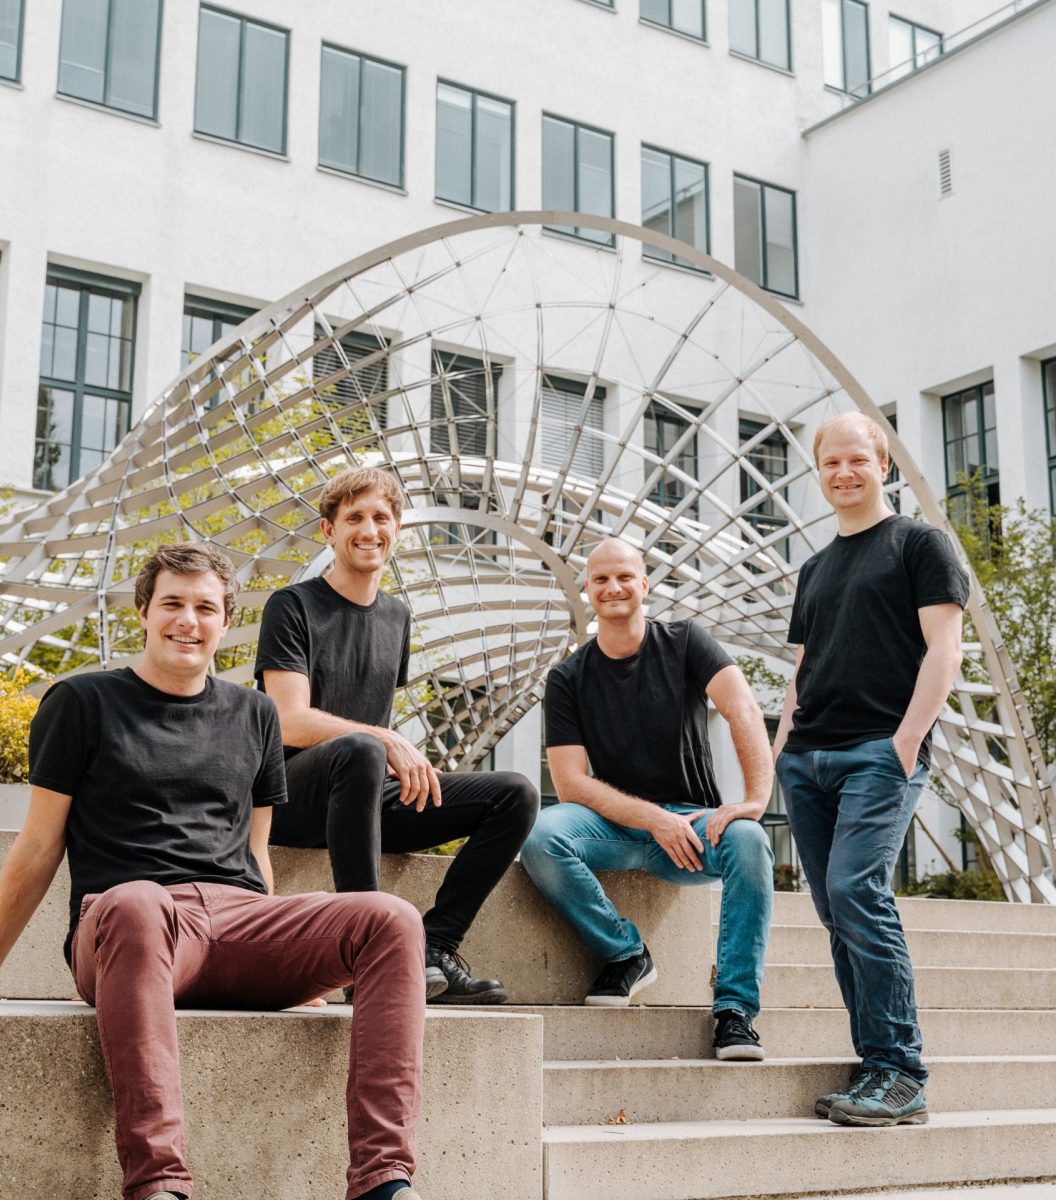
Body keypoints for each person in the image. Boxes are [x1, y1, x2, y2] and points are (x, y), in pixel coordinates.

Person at [0, 542, 427, 1200]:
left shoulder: (254, 715)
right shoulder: (81, 702)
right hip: (128, 926)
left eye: (205, 608)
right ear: (143, 611)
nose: (187, 621)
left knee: (391, 918)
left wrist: (298, 966)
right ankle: (159, 1184)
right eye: (172, 604)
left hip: (235, 922)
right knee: (137, 903)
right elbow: (38, 846)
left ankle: (383, 1181)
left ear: (225, 623)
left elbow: (255, 855)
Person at [256, 466, 539, 1004]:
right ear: (328, 531)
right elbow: (287, 719)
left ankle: (434, 948)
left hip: (365, 796)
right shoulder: (292, 606)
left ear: (398, 529)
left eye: (381, 517)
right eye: (354, 518)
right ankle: (366, 951)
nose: (369, 529)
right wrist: (383, 739)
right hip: (296, 796)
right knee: (363, 746)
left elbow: (368, 719)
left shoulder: (396, 616)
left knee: (515, 794)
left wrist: (384, 746)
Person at [773, 411, 968, 1128]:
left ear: (882, 465)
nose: (844, 473)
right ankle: (873, 1063)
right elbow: (803, 667)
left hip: (878, 751)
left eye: (858, 459)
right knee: (836, 909)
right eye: (831, 463)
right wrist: (780, 751)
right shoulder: (816, 568)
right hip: (809, 760)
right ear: (819, 472)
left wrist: (907, 740)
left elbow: (944, 650)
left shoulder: (920, 544)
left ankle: (900, 1069)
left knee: (858, 891)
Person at [521, 537, 774, 1059]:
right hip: (614, 826)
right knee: (542, 834)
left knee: (749, 840)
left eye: (624, 577)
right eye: (601, 579)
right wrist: (652, 818)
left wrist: (755, 798)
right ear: (588, 590)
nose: (613, 588)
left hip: (693, 826)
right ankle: (625, 951)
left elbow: (743, 709)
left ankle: (734, 1012)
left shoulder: (686, 643)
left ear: (644, 585)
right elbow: (571, 784)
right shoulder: (568, 676)